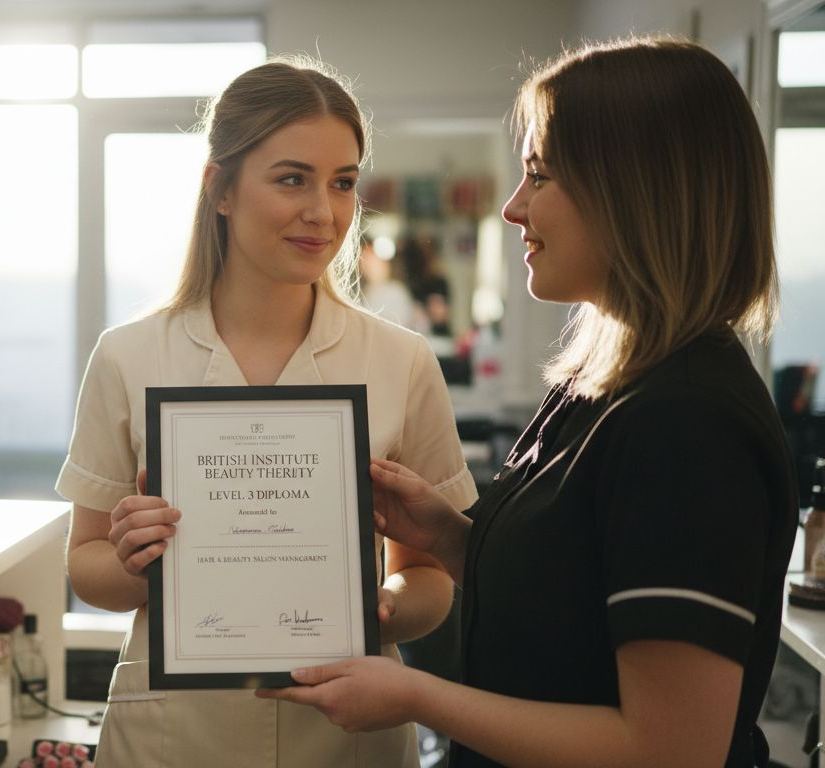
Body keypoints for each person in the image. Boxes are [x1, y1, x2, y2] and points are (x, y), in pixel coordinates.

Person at [257, 37, 796, 768]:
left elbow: (669, 749)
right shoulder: (606, 387)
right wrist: (449, 537)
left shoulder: (690, 425)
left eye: (539, 176)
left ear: (636, 192)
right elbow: (574, 603)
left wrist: (417, 697)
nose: (513, 208)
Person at [58, 56, 476, 767]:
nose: (324, 212)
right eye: (292, 179)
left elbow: (430, 576)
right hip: (175, 736)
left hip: (349, 733)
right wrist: (137, 564)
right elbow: (85, 562)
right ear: (220, 188)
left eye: (343, 182)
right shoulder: (128, 355)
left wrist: (381, 608)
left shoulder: (400, 361)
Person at [358, 232, 417, 329]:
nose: (367, 265)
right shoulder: (365, 291)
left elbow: (401, 325)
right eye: (364, 260)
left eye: (372, 260)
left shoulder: (396, 291)